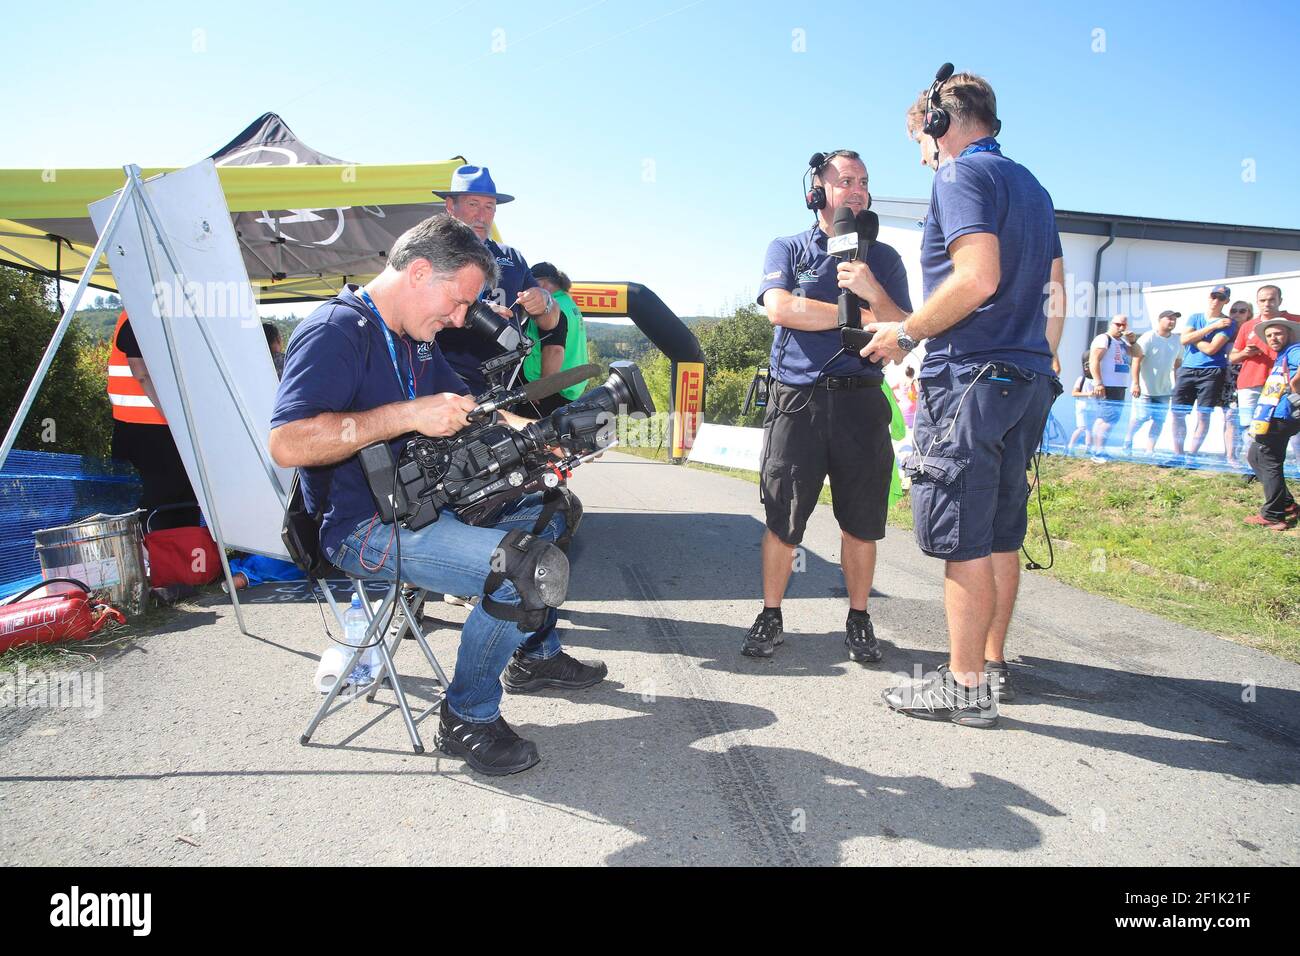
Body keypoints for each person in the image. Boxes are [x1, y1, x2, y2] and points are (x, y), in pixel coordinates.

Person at [269, 215, 605, 777]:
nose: (457, 320)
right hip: (363, 528)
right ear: (419, 271)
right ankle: (467, 716)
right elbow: (287, 443)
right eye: (455, 304)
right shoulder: (337, 330)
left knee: (551, 507)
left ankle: (531, 658)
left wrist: (538, 437)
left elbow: (468, 405)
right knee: (520, 570)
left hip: (426, 500)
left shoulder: (416, 339)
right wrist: (404, 415)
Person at [860, 68, 1065, 727]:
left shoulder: (957, 175)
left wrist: (905, 334)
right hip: (1024, 378)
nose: (920, 151)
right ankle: (992, 664)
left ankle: (965, 686)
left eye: (918, 136)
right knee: (1000, 531)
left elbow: (976, 279)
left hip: (971, 377)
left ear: (939, 124)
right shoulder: (1031, 186)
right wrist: (1043, 355)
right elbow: (1055, 289)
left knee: (962, 538)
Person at [746, 149, 912, 665]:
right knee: (783, 519)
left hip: (862, 403)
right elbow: (780, 309)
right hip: (797, 402)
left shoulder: (883, 259)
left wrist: (871, 292)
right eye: (846, 181)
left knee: (861, 522)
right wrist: (856, 319)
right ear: (817, 192)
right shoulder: (789, 247)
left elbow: (904, 332)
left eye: (864, 181)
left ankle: (859, 619)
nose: (858, 189)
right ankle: (771, 613)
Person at [433, 165, 561, 395]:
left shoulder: (511, 257)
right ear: (451, 206)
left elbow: (550, 323)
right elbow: (403, 317)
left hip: (497, 389)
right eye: (473, 204)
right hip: (439, 384)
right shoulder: (428, 253)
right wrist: (474, 314)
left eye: (489, 207)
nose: (481, 216)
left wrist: (545, 301)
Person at [107, 311, 199, 530]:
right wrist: (175, 417)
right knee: (160, 509)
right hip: (151, 431)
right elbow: (141, 372)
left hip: (149, 430)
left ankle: (175, 558)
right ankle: (160, 557)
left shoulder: (151, 315)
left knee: (177, 506)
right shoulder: (139, 316)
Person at [1231, 285, 1299, 463]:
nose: (1267, 304)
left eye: (1271, 299)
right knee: (1250, 428)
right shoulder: (1248, 326)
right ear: (1257, 302)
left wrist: (1295, 384)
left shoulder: (1294, 321)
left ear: (1280, 301)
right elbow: (1232, 357)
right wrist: (1246, 352)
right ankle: (1252, 468)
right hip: (1252, 382)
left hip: (1285, 385)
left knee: (1292, 427)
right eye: (1262, 300)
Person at [1170, 285, 1236, 465]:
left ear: (1226, 301)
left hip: (1212, 371)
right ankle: (1178, 454)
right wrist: (1212, 327)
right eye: (1214, 296)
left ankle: (1191, 456)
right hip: (1188, 368)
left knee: (1203, 414)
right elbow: (1183, 340)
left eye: (1221, 298)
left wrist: (1194, 338)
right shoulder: (1196, 317)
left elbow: (1212, 348)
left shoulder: (1229, 323)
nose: (1216, 300)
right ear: (1209, 297)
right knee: (1177, 413)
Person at [1244, 317, 1300, 530]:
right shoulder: (1284, 355)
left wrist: (1295, 384)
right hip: (1273, 415)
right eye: (1269, 335)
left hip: (1283, 415)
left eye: (1277, 333)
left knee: (1268, 459)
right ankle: (1286, 504)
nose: (1273, 338)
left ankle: (1274, 515)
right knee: (1255, 456)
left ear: (1289, 334)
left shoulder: (1294, 349)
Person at [525, 262, 591, 417]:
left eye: (530, 285)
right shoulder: (568, 303)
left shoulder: (551, 308)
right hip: (570, 385)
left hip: (550, 389)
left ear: (541, 283)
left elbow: (554, 349)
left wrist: (542, 389)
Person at [1124, 309, 1182, 456]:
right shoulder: (1149, 337)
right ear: (1160, 320)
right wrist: (1135, 383)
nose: (1172, 321)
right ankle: (1127, 441)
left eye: (1174, 319)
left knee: (1159, 420)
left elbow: (1178, 364)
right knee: (1141, 417)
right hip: (1145, 389)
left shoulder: (1177, 340)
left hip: (1164, 390)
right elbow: (1136, 360)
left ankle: (1150, 449)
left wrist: (1177, 386)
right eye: (1169, 318)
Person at [1087, 314, 1141, 459]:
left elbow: (1138, 354)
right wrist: (1098, 382)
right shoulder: (1103, 339)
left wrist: (1132, 341)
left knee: (1103, 418)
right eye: (1118, 324)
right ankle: (1099, 451)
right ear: (1111, 324)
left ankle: (1094, 449)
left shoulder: (1123, 342)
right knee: (1110, 419)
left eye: (1124, 325)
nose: (1121, 328)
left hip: (1118, 385)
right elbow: (1094, 360)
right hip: (1107, 385)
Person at [1068, 352, 1096, 456]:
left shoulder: (1096, 381)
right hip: (1082, 407)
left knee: (1090, 428)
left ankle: (1088, 447)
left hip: (1092, 407)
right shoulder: (1082, 379)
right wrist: (1088, 394)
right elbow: (1074, 393)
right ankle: (1070, 446)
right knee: (1081, 428)